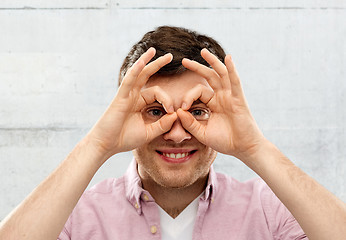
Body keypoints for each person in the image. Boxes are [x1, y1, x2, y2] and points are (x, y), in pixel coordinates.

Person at [0, 26, 345, 240]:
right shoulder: (77, 216)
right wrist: (99, 144)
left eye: (197, 111)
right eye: (155, 111)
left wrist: (254, 147)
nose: (178, 134)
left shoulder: (269, 209)